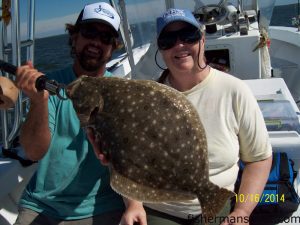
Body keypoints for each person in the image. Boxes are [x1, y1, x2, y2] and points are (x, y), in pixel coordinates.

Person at [89, 7, 273, 225]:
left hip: (216, 202)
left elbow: (259, 158)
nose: (179, 45)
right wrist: (134, 205)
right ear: (161, 48)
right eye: (168, 39)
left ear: (202, 40)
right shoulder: (145, 98)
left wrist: (242, 210)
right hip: (158, 207)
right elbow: (129, 159)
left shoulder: (235, 91)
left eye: (188, 36)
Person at [14, 2, 146, 225]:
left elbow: (128, 158)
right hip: (43, 206)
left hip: (102, 205)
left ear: (113, 47)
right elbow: (33, 152)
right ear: (74, 37)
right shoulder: (48, 86)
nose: (96, 41)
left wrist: (134, 204)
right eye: (89, 32)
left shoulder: (123, 96)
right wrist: (38, 103)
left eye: (105, 37)